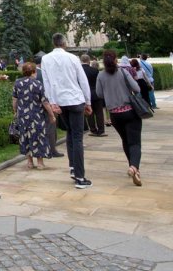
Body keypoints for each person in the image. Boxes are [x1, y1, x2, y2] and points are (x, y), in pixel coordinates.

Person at [41, 33, 93, 189]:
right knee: (77, 137)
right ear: (64, 43)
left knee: (71, 133)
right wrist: (88, 101)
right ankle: (80, 176)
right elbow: (82, 80)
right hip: (75, 99)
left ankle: (73, 167)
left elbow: (47, 83)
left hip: (60, 102)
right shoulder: (72, 58)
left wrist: (52, 102)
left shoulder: (46, 59)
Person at [96, 50, 144, 186]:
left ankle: (134, 168)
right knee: (135, 142)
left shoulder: (101, 75)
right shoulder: (123, 72)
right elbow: (137, 88)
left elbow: (99, 93)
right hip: (129, 110)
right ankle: (134, 167)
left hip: (114, 114)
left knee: (125, 140)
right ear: (116, 59)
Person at [12, 62, 51, 170]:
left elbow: (14, 100)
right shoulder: (38, 84)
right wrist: (52, 114)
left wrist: (15, 111)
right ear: (34, 71)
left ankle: (29, 162)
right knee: (38, 137)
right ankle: (40, 163)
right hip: (36, 116)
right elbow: (44, 102)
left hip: (23, 116)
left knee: (26, 137)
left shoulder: (17, 83)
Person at [80, 54, 106, 136]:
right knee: (99, 112)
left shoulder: (79, 71)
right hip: (96, 92)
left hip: (85, 94)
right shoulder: (95, 70)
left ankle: (93, 129)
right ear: (89, 60)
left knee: (89, 113)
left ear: (81, 60)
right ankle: (101, 129)